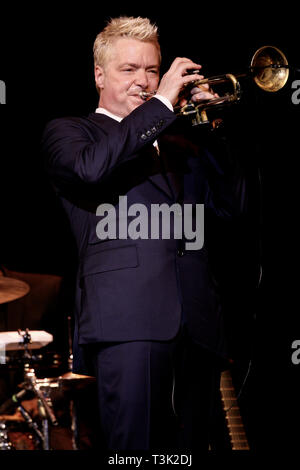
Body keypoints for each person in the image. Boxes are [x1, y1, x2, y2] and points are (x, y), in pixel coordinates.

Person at [42, 16, 245, 452]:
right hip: (128, 322)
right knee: (134, 454)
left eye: (152, 70)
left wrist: (213, 128)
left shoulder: (181, 145)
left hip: (198, 327)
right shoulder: (71, 132)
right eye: (129, 70)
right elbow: (91, 169)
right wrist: (163, 107)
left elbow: (231, 209)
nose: (145, 81)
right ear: (99, 75)